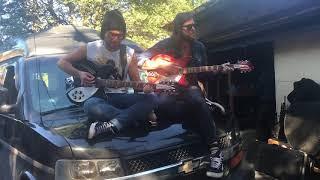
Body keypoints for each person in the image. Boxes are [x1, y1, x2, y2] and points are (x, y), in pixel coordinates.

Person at [137, 12, 230, 178]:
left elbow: (203, 75)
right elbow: (140, 59)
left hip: (189, 90)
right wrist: (161, 65)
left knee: (196, 95)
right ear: (178, 29)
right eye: (189, 27)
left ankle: (215, 153)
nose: (193, 29)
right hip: (167, 92)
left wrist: (218, 71)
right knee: (165, 106)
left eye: (194, 26)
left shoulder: (199, 48)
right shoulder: (165, 45)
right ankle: (202, 108)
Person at [57, 10, 156, 139]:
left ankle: (114, 124)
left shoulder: (129, 53)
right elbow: (61, 62)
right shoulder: (90, 48)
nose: (115, 39)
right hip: (100, 99)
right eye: (112, 35)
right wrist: (79, 73)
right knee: (90, 105)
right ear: (104, 32)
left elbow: (137, 85)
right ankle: (130, 119)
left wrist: (146, 89)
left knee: (152, 98)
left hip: (121, 97)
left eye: (120, 36)